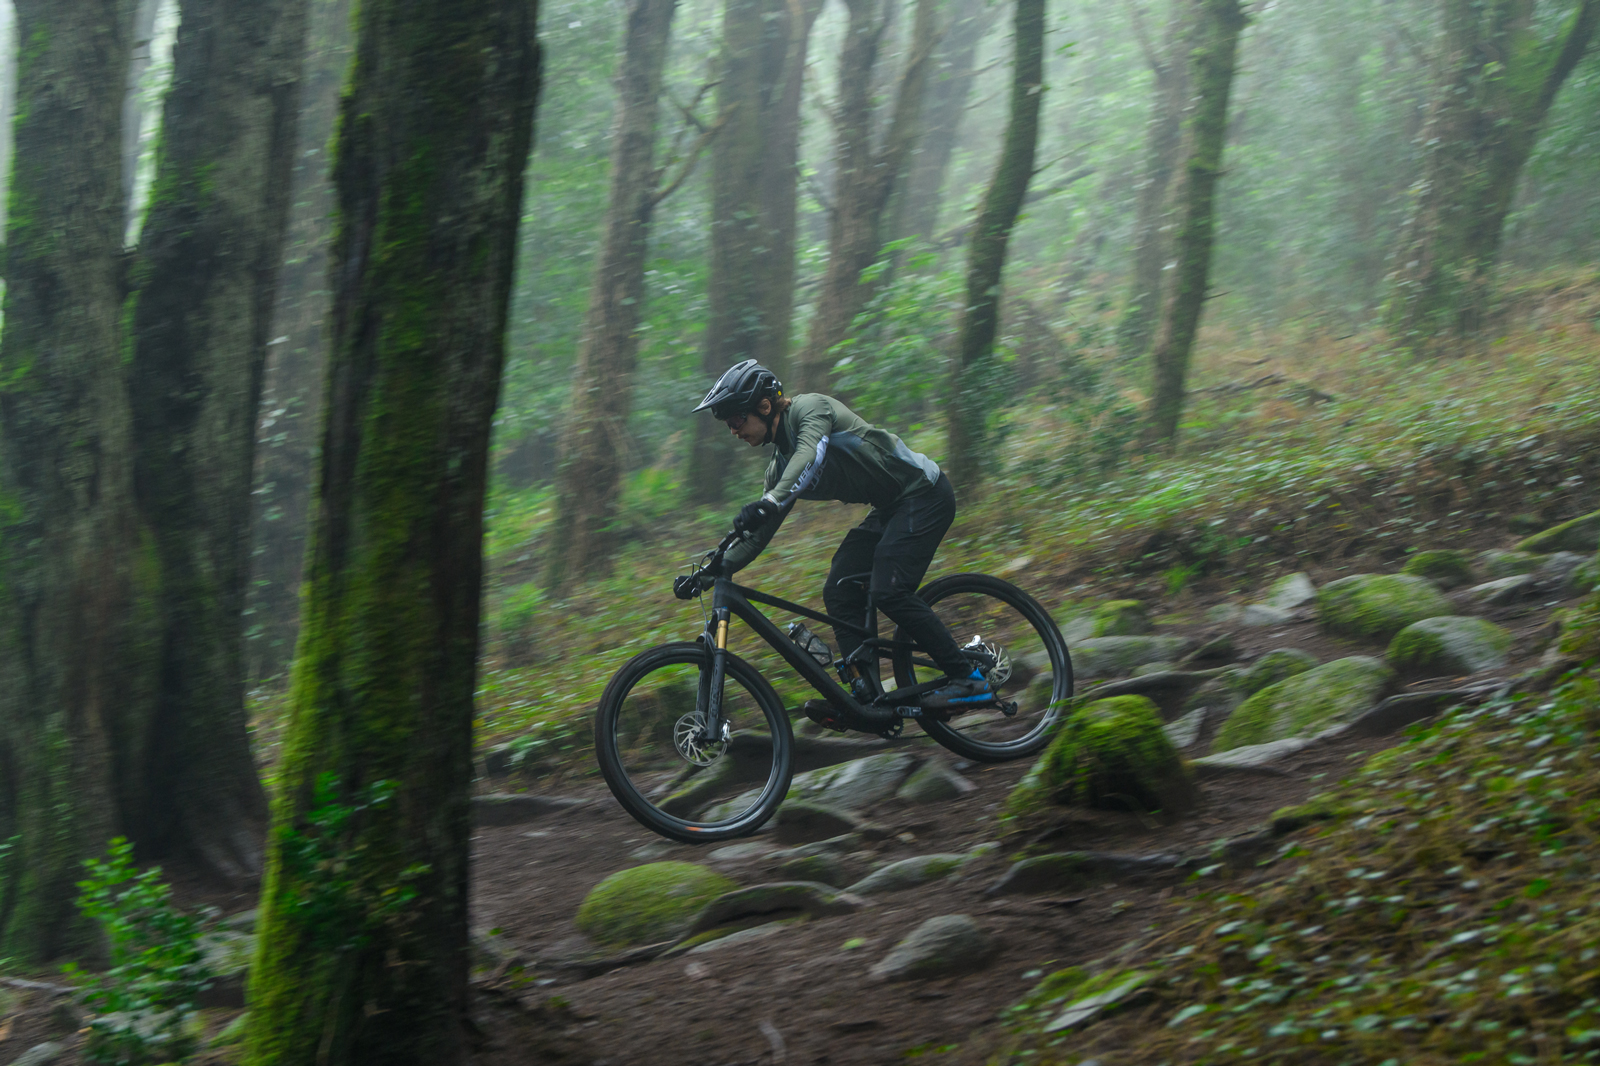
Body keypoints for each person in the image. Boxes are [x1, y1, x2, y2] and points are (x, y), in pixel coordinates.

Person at [686, 358, 991, 716]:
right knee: (839, 586)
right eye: (728, 425)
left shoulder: (811, 409)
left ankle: (968, 679)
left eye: (736, 421)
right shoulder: (779, 469)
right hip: (891, 507)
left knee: (888, 590)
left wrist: (770, 501)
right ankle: (868, 696)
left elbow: (810, 456)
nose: (733, 431)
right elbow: (755, 539)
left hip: (925, 493)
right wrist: (706, 575)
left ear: (764, 406)